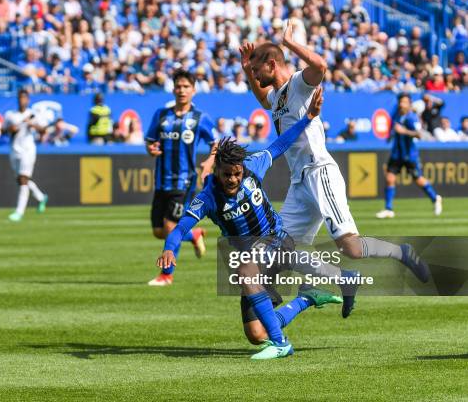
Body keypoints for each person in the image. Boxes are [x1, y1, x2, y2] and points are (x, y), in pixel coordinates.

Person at [234, 23, 430, 317]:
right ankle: (342, 280)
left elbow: (321, 65)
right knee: (280, 247)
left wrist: (289, 43)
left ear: (272, 64)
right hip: (299, 182)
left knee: (350, 247)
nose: (255, 75)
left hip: (319, 172)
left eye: (258, 69)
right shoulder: (276, 98)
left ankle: (401, 253)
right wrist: (247, 69)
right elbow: (262, 98)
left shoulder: (299, 84)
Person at [157, 90, 346, 360]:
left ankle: (282, 345)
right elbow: (179, 229)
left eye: (237, 174)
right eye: (227, 175)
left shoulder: (252, 166)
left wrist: (308, 118)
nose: (233, 179)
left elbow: (280, 144)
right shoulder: (207, 198)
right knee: (256, 334)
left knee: (245, 270)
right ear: (216, 171)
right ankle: (308, 298)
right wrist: (170, 249)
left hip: (277, 240)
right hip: (251, 255)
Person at [145, 69, 218, 286]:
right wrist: (151, 149)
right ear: (173, 89)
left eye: (186, 87)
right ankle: (194, 235)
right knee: (159, 232)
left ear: (194, 91)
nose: (182, 90)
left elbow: (215, 143)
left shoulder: (200, 118)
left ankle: (166, 275)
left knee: (170, 227)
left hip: (184, 182)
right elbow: (150, 141)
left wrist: (209, 161)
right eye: (178, 86)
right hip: (161, 181)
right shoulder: (161, 114)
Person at [376, 94, 442, 219]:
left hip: (409, 155)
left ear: (409, 104)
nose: (402, 104)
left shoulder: (412, 118)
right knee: (390, 178)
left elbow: (419, 134)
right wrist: (391, 135)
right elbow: (393, 130)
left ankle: (435, 198)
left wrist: (404, 131)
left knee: (418, 179)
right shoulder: (396, 115)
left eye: (405, 102)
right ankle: (388, 209)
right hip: (396, 153)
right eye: (401, 102)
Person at [3, 89, 49, 222]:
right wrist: (10, 129)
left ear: (28, 100)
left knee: (23, 179)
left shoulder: (33, 114)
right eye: (20, 98)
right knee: (20, 180)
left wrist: (33, 125)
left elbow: (44, 129)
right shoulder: (11, 115)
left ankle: (19, 212)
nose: (22, 100)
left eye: (24, 98)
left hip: (28, 150)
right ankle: (41, 197)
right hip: (14, 149)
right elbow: (2, 130)